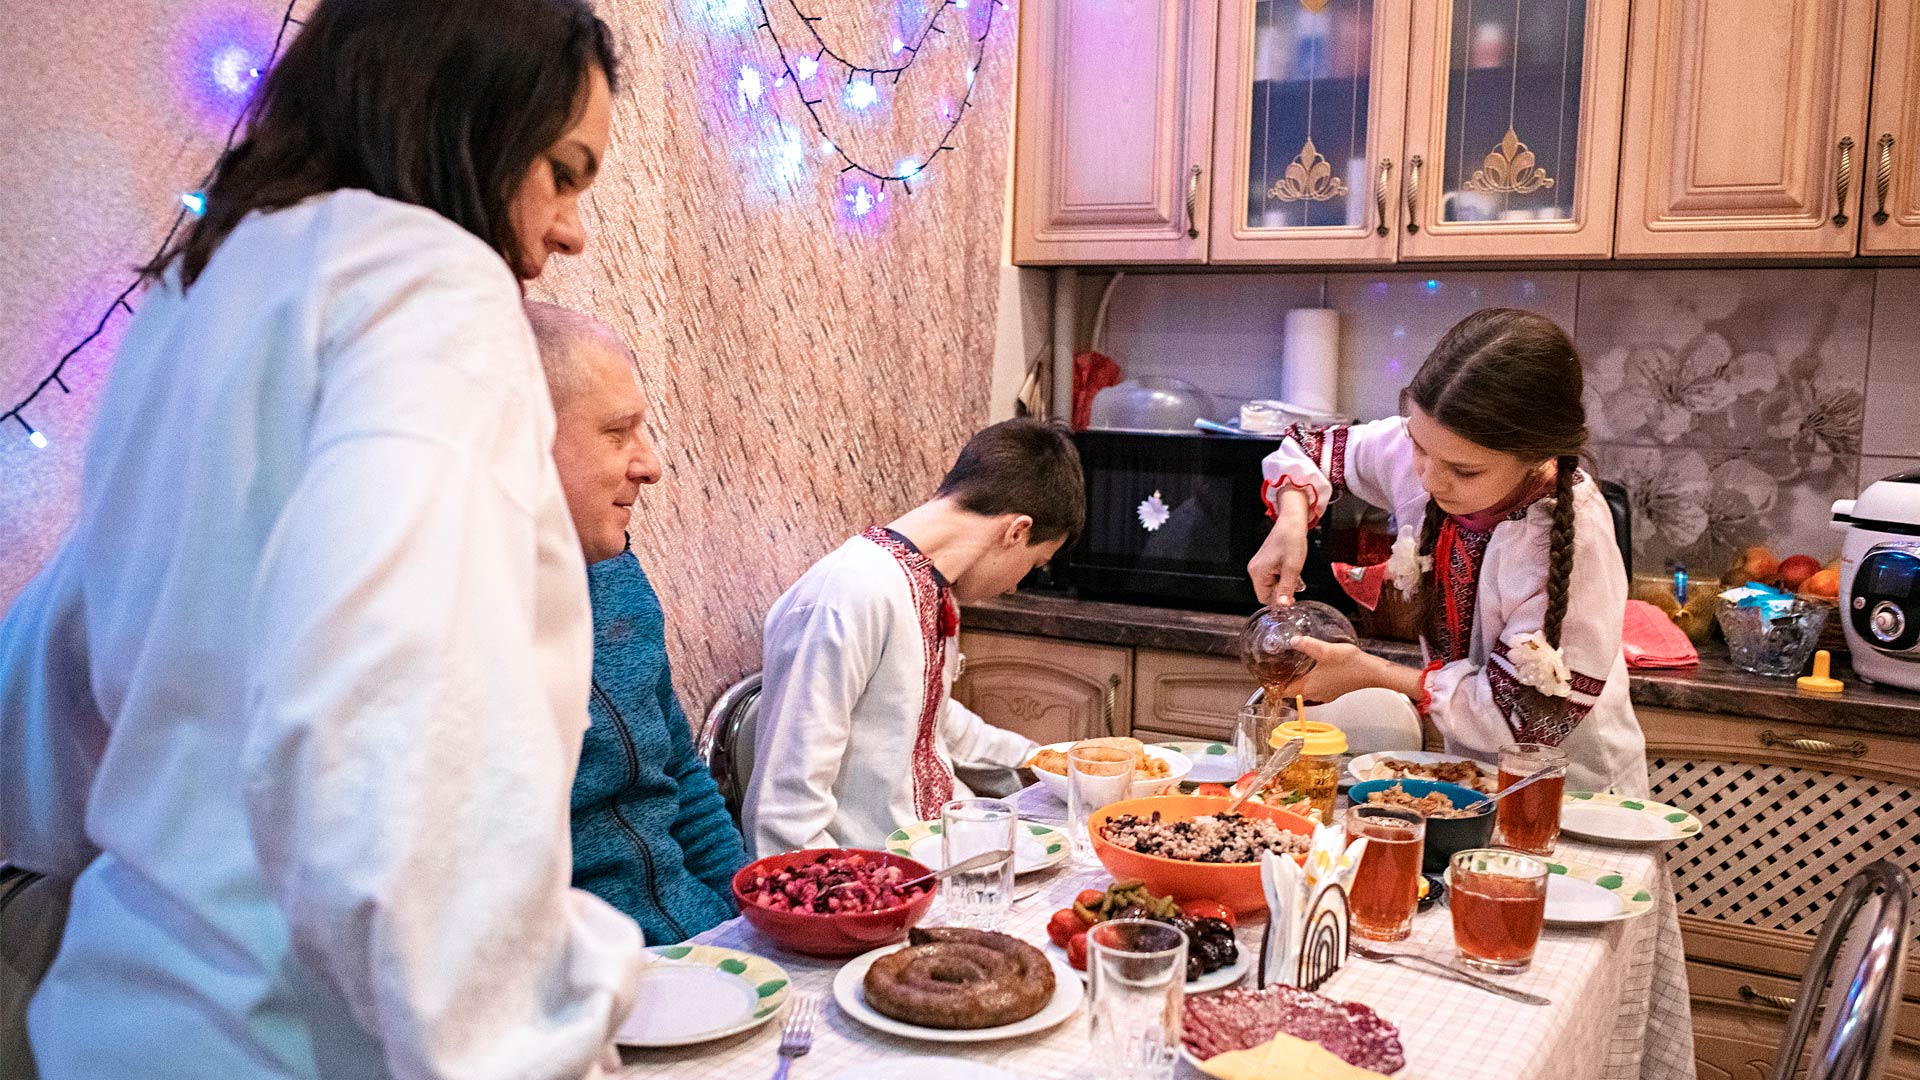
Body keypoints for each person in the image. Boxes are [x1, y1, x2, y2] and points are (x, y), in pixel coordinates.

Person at [0, 3, 646, 1077]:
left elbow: (53, 661)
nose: (571, 226)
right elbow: (395, 713)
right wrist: (528, 1043)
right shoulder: (436, 290)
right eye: (563, 169)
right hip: (307, 1036)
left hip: (123, 1017)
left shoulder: (197, 286)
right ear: (465, 120)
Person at [1247, 308, 1648, 795]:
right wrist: (1291, 518)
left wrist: (1368, 674)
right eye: (1418, 445)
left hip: (1575, 796)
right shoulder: (1435, 446)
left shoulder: (1574, 540)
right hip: (1467, 780)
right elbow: (1310, 449)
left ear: (1540, 454)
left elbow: (1519, 721)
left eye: (1465, 471)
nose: (1429, 479)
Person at [744, 420, 1084, 856]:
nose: (1017, 586)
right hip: (873, 873)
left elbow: (930, 716)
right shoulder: (848, 593)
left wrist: (1050, 761)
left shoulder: (933, 586)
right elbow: (786, 806)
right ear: (1016, 531)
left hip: (943, 848)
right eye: (1036, 564)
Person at [525, 302, 748, 944]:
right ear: (523, 437)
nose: (649, 464)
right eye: (619, 433)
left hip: (699, 938)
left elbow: (677, 769)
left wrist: (744, 928)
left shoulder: (618, 572)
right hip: (596, 987)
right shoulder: (456, 623)